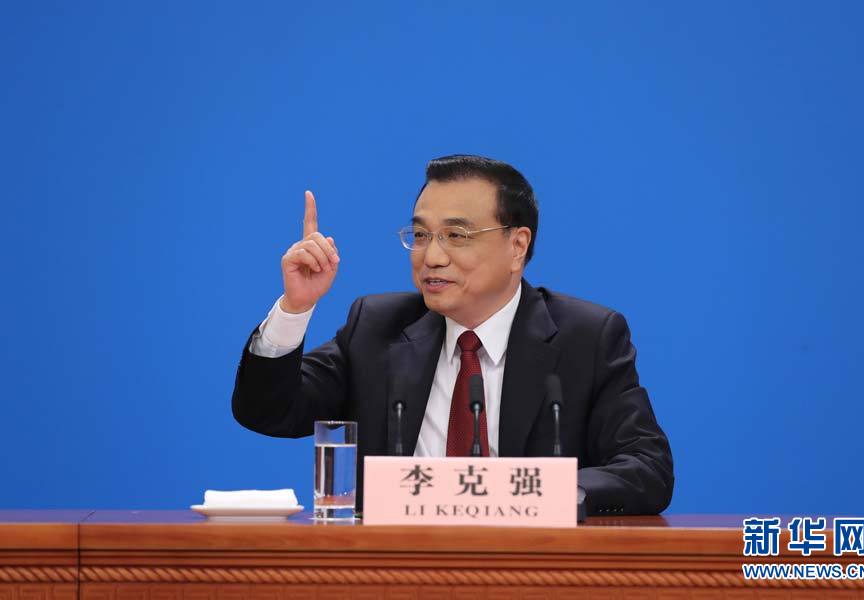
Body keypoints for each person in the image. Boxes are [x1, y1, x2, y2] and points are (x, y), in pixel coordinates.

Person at [232, 154, 674, 515]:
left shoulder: (586, 339)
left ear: (517, 246)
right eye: (421, 235)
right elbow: (268, 412)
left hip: (531, 570)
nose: (432, 256)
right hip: (395, 572)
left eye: (456, 235)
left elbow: (647, 468)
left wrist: (542, 493)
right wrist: (295, 307)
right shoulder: (377, 328)